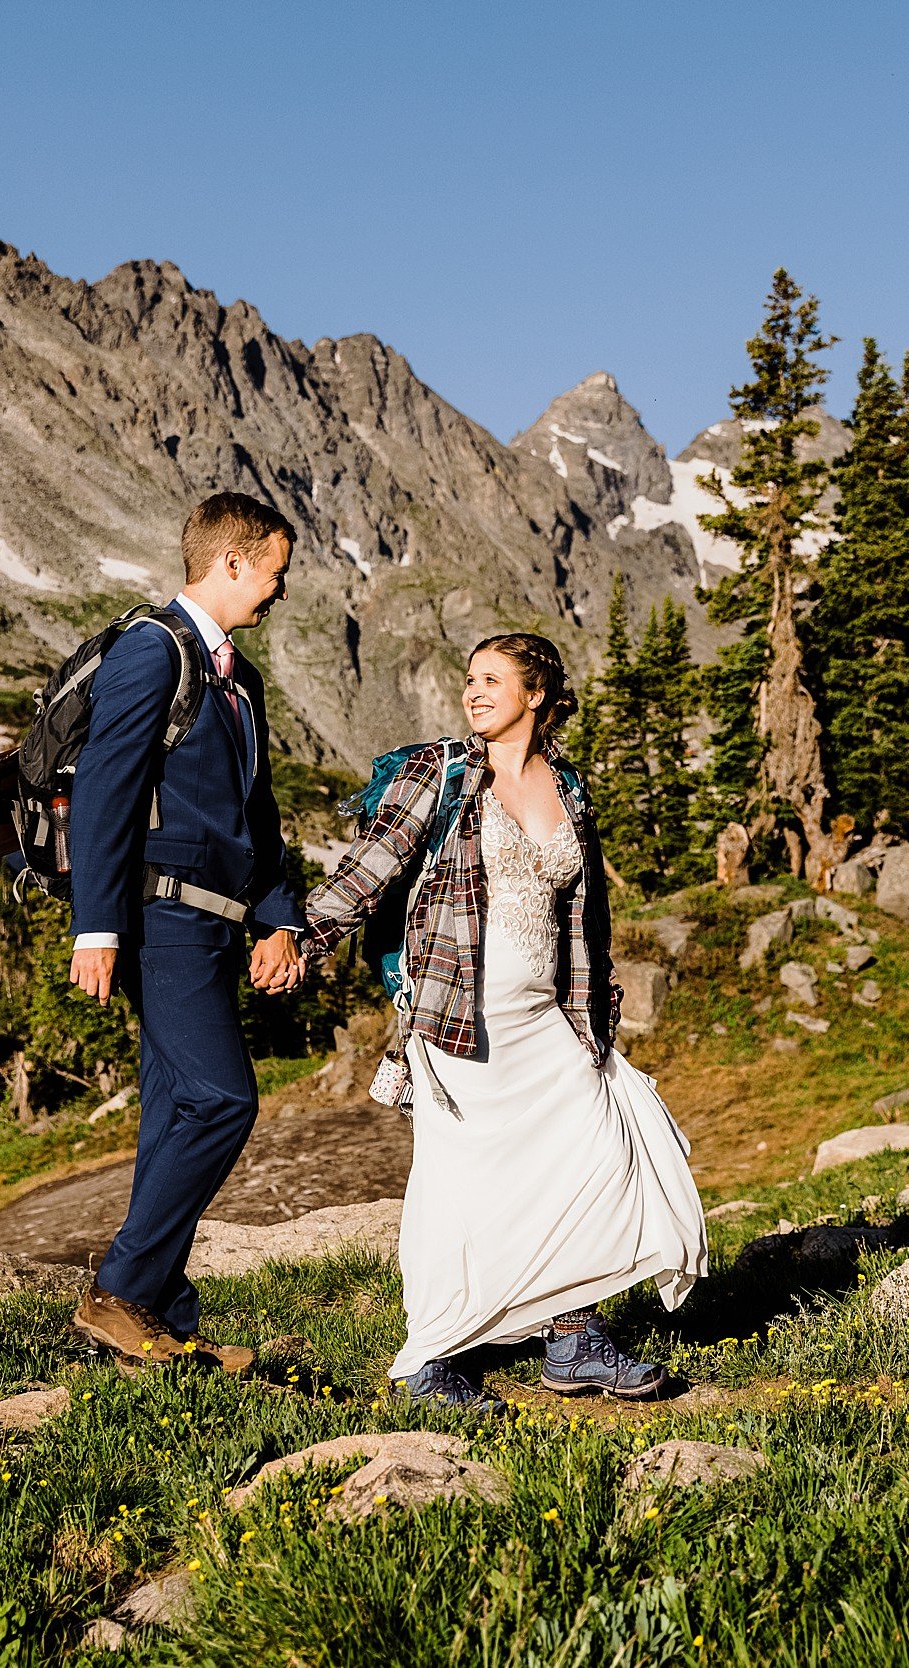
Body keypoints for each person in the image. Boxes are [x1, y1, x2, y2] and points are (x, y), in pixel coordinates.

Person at [301, 633, 708, 1407]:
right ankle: (432, 1356)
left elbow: (588, 917)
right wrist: (297, 940)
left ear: (537, 695)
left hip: (546, 1016)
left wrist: (595, 1010)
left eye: (492, 679)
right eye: (469, 678)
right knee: (459, 1178)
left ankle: (572, 1339)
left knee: (596, 1154)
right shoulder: (441, 772)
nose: (474, 691)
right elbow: (370, 868)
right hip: (458, 1015)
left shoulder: (569, 786)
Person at [64, 492, 309, 1372]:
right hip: (156, 919)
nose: (281, 588)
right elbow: (104, 790)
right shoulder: (151, 652)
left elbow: (258, 815)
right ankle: (120, 1290)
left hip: (215, 923)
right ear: (231, 563)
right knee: (223, 1098)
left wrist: (279, 920)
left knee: (173, 1111)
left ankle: (158, 1319)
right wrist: (95, 926)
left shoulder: (241, 681)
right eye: (274, 570)